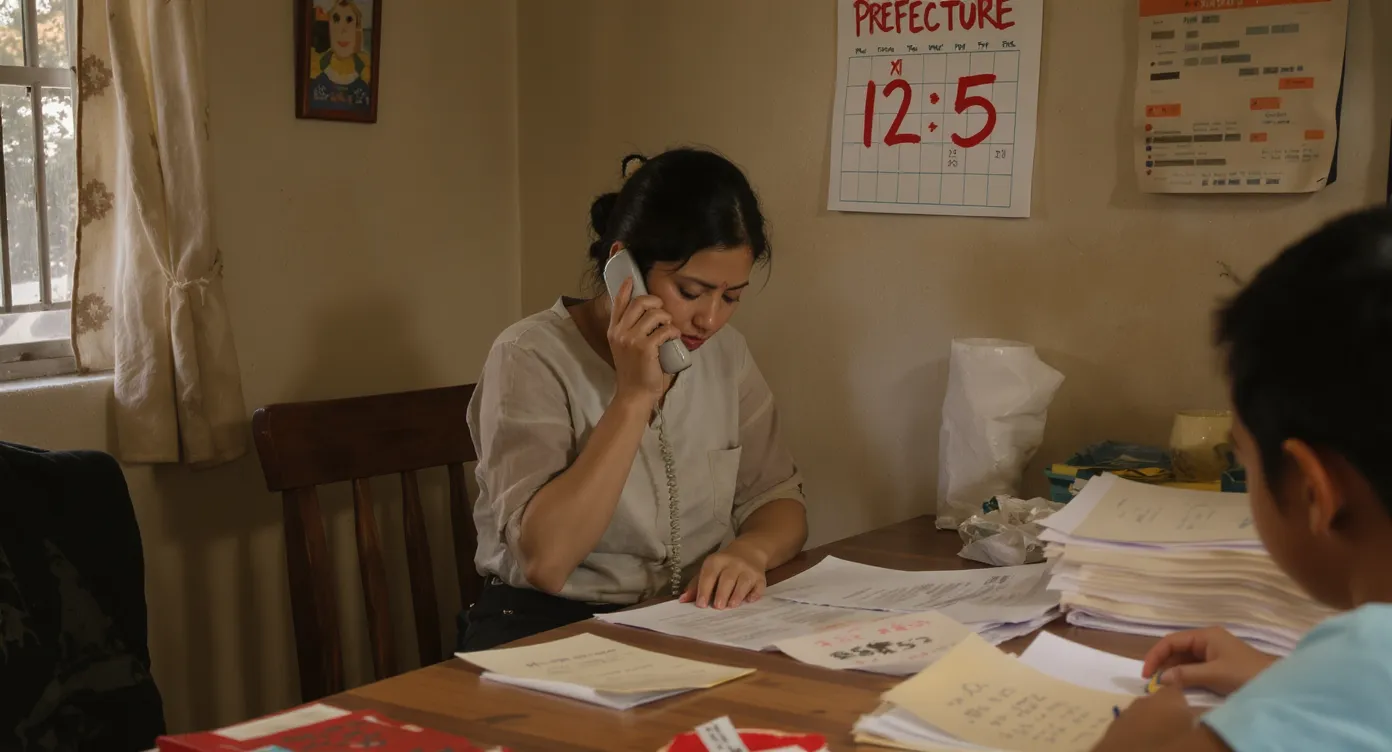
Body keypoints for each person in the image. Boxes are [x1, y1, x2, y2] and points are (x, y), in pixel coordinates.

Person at [458, 148, 809, 651]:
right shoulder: (528, 357)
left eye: (731, 297)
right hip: (547, 630)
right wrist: (634, 397)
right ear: (625, 267)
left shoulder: (725, 354)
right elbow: (546, 561)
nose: (710, 320)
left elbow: (778, 499)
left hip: (684, 622)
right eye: (691, 291)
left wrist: (749, 552)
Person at [1094, 207, 1392, 752]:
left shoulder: (1365, 660)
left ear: (1313, 490)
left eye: (1244, 461)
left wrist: (1136, 743)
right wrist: (1291, 685)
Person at [309, 0, 372, 110]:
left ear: (357, 28)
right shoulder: (315, 65)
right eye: (336, 19)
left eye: (349, 20)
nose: (342, 30)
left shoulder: (367, 69)